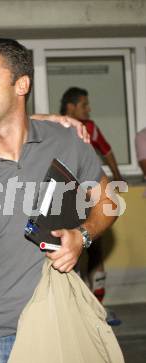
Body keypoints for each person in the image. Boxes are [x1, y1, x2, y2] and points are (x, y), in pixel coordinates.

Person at [0, 37, 117, 363]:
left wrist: (81, 237)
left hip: (61, 321)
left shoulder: (65, 141)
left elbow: (108, 199)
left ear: (21, 85)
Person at [60, 86, 123, 303]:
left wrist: (117, 175)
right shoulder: (54, 126)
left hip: (89, 196)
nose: (89, 109)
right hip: (65, 199)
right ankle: (78, 299)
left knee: (94, 245)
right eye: (84, 104)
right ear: (71, 106)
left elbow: (106, 150)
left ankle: (98, 304)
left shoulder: (89, 127)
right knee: (68, 249)